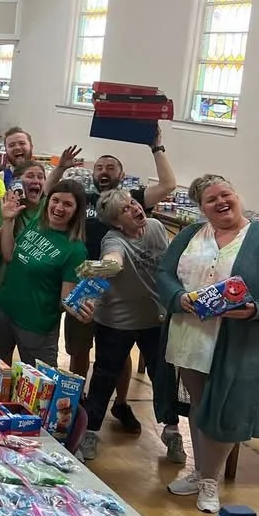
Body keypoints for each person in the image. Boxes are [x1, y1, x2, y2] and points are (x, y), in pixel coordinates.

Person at [156, 174, 259, 514]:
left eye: (226, 194)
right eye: (211, 199)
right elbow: (164, 273)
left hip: (239, 339)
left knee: (228, 409)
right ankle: (199, 472)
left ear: (237, 195)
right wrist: (179, 298)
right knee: (201, 404)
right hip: (191, 334)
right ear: (202, 208)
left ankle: (209, 480)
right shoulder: (191, 234)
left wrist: (258, 308)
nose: (221, 202)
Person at [49, 132, 177, 422]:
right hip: (86, 290)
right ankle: (80, 401)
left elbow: (168, 185)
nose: (104, 171)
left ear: (121, 174)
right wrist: (61, 168)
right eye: (99, 167)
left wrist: (156, 146)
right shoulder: (84, 199)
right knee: (79, 350)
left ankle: (121, 404)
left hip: (124, 299)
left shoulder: (135, 200)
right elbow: (50, 196)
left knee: (118, 359)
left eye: (111, 167)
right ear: (92, 173)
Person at [76, 188, 179, 464]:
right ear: (116, 223)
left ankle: (172, 431)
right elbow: (113, 261)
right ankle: (90, 432)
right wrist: (93, 273)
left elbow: (170, 265)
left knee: (164, 376)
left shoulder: (156, 228)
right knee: (104, 376)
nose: (134, 208)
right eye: (125, 209)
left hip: (154, 319)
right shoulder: (114, 240)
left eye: (133, 203)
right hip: (116, 322)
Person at [0, 180, 89, 367]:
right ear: (48, 201)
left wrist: (80, 309)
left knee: (41, 389)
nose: (59, 207)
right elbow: (9, 254)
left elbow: (66, 299)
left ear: (77, 210)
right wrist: (8, 220)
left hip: (36, 327)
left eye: (67, 204)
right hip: (4, 311)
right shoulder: (37, 223)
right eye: (55, 200)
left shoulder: (75, 250)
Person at [0, 160, 47, 299]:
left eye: (40, 177)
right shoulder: (4, 203)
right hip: (8, 283)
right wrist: (9, 218)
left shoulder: (49, 206)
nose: (36, 180)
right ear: (17, 182)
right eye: (30, 176)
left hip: (38, 287)